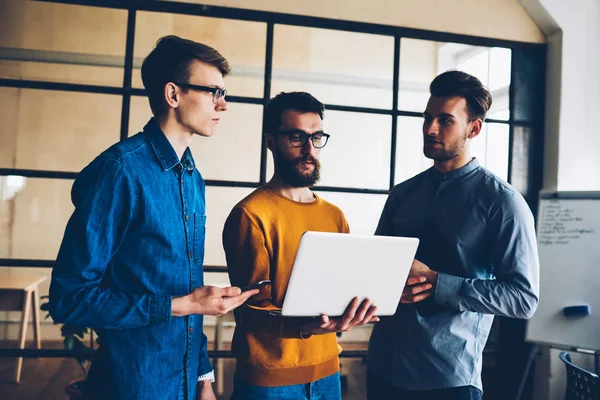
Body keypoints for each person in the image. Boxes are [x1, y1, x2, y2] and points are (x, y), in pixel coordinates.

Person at [48, 35, 257, 400]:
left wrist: (204, 378)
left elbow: (188, 285)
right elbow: (70, 298)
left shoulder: (192, 177)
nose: (222, 106)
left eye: (224, 94)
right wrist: (183, 305)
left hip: (185, 382)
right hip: (134, 383)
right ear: (173, 94)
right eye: (212, 92)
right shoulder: (119, 171)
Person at [366, 70, 540, 400]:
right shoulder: (402, 194)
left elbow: (523, 298)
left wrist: (437, 283)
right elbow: (376, 267)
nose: (430, 129)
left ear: (473, 128)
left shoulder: (503, 202)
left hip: (448, 378)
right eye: (428, 118)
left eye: (445, 120)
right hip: (382, 367)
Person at [222, 91, 379, 400]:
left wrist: (350, 313)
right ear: (270, 141)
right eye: (297, 137)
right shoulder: (250, 215)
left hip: (328, 374)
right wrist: (305, 326)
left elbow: (338, 293)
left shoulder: (334, 216)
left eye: (316, 137)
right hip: (270, 383)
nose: (309, 149)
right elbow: (249, 312)